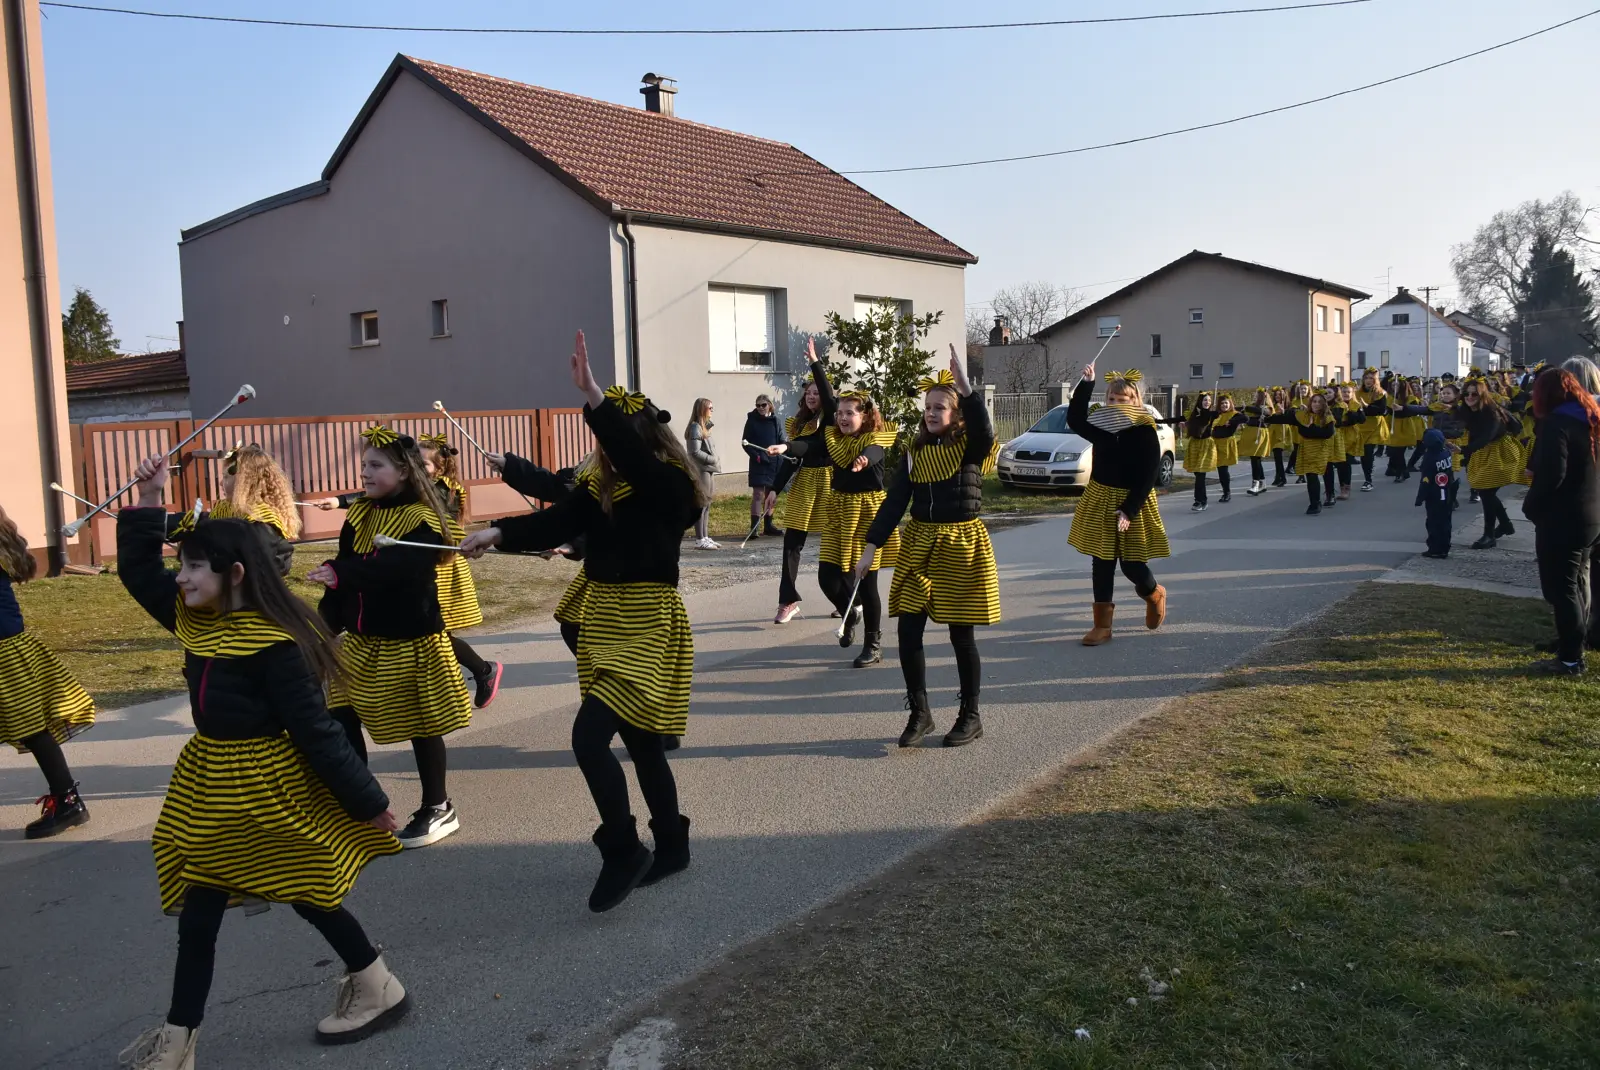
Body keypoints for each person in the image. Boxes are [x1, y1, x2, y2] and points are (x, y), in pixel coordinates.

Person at [115, 464, 407, 1068]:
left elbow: (319, 732)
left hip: (271, 789)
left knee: (305, 891)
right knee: (201, 911)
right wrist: (146, 501)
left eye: (196, 566)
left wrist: (370, 803)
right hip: (211, 786)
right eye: (184, 563)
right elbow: (138, 572)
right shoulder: (196, 619)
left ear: (236, 574)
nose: (182, 576)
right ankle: (178, 1041)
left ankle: (377, 985)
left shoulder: (277, 643)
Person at [462, 331, 699, 912]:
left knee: (588, 738)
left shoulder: (672, 485)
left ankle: (622, 849)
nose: (609, 458)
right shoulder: (603, 486)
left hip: (648, 624)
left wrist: (595, 395)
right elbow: (559, 517)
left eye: (618, 446)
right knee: (643, 744)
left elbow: (638, 462)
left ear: (641, 439)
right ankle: (670, 845)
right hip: (605, 619)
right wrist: (499, 534)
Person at [307, 426, 473, 849]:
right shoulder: (360, 513)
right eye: (363, 464)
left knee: (423, 723)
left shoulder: (424, 517)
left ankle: (438, 806)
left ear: (402, 471)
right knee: (342, 713)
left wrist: (342, 572)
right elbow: (341, 577)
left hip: (412, 637)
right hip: (363, 639)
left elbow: (400, 568)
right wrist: (322, 631)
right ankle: (357, 806)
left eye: (374, 465)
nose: (364, 473)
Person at [859, 345, 998, 749]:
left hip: (961, 544)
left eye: (940, 407)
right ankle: (920, 714)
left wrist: (966, 389)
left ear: (955, 414)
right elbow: (894, 502)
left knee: (961, 635)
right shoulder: (914, 453)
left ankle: (970, 715)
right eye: (928, 407)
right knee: (908, 630)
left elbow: (986, 432)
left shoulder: (970, 448)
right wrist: (871, 547)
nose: (932, 413)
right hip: (919, 543)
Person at [769, 390, 899, 667]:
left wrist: (863, 459)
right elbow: (810, 448)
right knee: (827, 577)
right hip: (839, 511)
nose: (842, 417)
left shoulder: (873, 440)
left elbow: (873, 452)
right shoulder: (834, 440)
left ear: (864, 416)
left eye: (849, 413)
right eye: (839, 413)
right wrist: (786, 448)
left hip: (866, 514)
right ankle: (849, 613)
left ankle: (873, 645)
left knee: (867, 583)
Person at [0, 505, 95, 839]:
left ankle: (68, 802)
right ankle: (68, 800)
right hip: (10, 647)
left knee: (32, 729)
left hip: (5, 653)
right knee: (31, 730)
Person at [1066, 367, 1169, 646]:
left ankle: (1154, 593)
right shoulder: (1100, 425)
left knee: (1132, 565)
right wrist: (1087, 384)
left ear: (1136, 400)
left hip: (1133, 500)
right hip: (1101, 497)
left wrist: (1129, 509)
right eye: (1112, 399)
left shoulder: (1144, 430)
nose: (1116, 404)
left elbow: (1148, 475)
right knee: (1102, 561)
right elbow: (1074, 419)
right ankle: (1102, 626)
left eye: (1123, 399)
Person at [1523, 369, 1600, 676]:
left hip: (1563, 518)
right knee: (1578, 582)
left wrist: (1532, 507)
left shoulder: (1556, 424)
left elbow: (1553, 474)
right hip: (1590, 515)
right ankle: (1572, 643)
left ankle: (1570, 659)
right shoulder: (1590, 419)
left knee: (1561, 589)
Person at [418, 433, 501, 709]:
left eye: (424, 465)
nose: (418, 470)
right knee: (426, 634)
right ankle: (471, 675)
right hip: (418, 566)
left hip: (440, 568)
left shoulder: (444, 490)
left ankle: (483, 671)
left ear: (439, 469)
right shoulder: (419, 487)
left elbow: (438, 525)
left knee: (435, 633)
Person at [487, 450, 587, 656]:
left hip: (636, 587)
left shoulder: (646, 479)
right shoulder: (593, 473)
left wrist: (575, 544)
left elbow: (609, 524)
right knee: (572, 625)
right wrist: (511, 467)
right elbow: (553, 486)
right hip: (602, 575)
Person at [773, 340, 837, 623]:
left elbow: (810, 447)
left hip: (830, 482)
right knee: (792, 543)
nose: (812, 396)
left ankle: (848, 599)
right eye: (808, 393)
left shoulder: (833, 418)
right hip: (805, 484)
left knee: (836, 543)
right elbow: (792, 456)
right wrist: (774, 489)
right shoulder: (798, 424)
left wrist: (814, 363)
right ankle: (787, 601)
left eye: (816, 392)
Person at [1457, 377, 1524, 549]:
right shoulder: (1469, 411)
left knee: (1486, 491)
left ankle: (1489, 535)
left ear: (1482, 395)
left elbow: (1487, 437)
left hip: (1500, 452)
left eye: (1474, 394)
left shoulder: (1491, 412)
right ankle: (1505, 525)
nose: (1470, 397)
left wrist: (1464, 450)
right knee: (1486, 491)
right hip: (1484, 452)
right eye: (1467, 393)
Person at [1266, 392, 1337, 514]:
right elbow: (1285, 419)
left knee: (1317, 472)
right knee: (1310, 475)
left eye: (1319, 402)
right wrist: (1267, 418)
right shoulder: (1303, 415)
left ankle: (1326, 496)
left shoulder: (1328, 417)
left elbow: (1327, 433)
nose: (1316, 404)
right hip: (1306, 449)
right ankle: (1315, 503)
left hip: (1321, 449)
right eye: (1314, 401)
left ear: (1324, 404)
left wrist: (1311, 428)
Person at [741, 394, 785, 538]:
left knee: (770, 495)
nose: (760, 408)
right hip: (759, 462)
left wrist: (783, 449)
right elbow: (745, 442)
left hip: (773, 462)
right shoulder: (752, 421)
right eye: (758, 405)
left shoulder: (776, 421)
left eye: (763, 405)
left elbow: (781, 439)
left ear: (769, 405)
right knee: (758, 494)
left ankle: (768, 525)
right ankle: (754, 528)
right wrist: (757, 456)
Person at [1413, 428, 1456, 559]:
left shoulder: (1429, 459)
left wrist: (1420, 498)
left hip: (1435, 496)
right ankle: (1444, 547)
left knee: (1433, 523)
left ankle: (1435, 549)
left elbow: (1425, 480)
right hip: (1448, 493)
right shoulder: (1446, 454)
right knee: (1446, 522)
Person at [685, 398, 721, 550]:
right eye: (710, 408)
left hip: (709, 468)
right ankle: (699, 538)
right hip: (702, 469)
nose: (712, 410)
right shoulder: (695, 428)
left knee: (707, 503)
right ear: (701, 409)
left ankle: (705, 536)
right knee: (701, 503)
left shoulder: (704, 426)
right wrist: (712, 459)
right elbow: (694, 452)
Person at [1355, 368, 1392, 492]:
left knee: (1368, 453)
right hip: (1361, 427)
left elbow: (1381, 410)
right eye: (1366, 378)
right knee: (1363, 454)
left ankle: (1368, 480)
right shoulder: (1357, 393)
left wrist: (1367, 406)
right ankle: (1367, 476)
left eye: (1371, 378)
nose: (1368, 380)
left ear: (1375, 380)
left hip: (1375, 427)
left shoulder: (1380, 393)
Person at [1208, 395, 1246, 504]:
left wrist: (1231, 422)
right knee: (1220, 470)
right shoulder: (1217, 415)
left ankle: (1226, 492)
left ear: (1230, 404)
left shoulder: (1233, 415)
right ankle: (1225, 491)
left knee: (1223, 469)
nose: (1224, 405)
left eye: (1226, 403)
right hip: (1215, 443)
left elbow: (1244, 418)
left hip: (1226, 444)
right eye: (1222, 403)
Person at [1184, 392, 1218, 511]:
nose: (1207, 402)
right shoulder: (1194, 414)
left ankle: (1199, 501)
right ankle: (1202, 500)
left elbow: (1213, 414)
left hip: (1206, 446)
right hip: (1195, 445)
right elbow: (1177, 419)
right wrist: (1156, 421)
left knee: (1200, 474)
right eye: (1205, 400)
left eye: (1209, 400)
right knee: (1198, 474)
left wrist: (1202, 411)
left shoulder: (1210, 414)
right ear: (1200, 402)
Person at [1242, 388, 1275, 496]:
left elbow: (1265, 412)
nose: (1254, 396)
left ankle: (1255, 484)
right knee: (1255, 458)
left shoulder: (1266, 408)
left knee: (1255, 457)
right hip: (1251, 433)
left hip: (1259, 434)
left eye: (1256, 395)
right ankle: (1262, 483)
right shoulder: (1253, 406)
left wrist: (1246, 407)